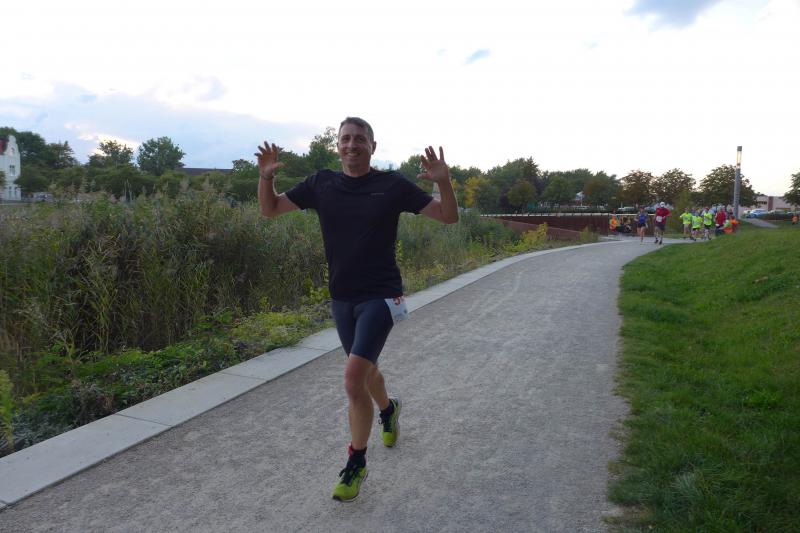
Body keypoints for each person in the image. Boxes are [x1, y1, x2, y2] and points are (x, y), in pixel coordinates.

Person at [254, 117, 459, 502]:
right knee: (366, 373)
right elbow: (271, 209)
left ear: (372, 147)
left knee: (352, 379)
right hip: (342, 299)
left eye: (360, 139)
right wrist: (266, 177)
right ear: (337, 146)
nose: (352, 145)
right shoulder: (321, 183)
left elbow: (448, 216)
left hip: (382, 297)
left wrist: (443, 182)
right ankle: (388, 409)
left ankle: (357, 462)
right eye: (345, 139)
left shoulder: (392, 185)